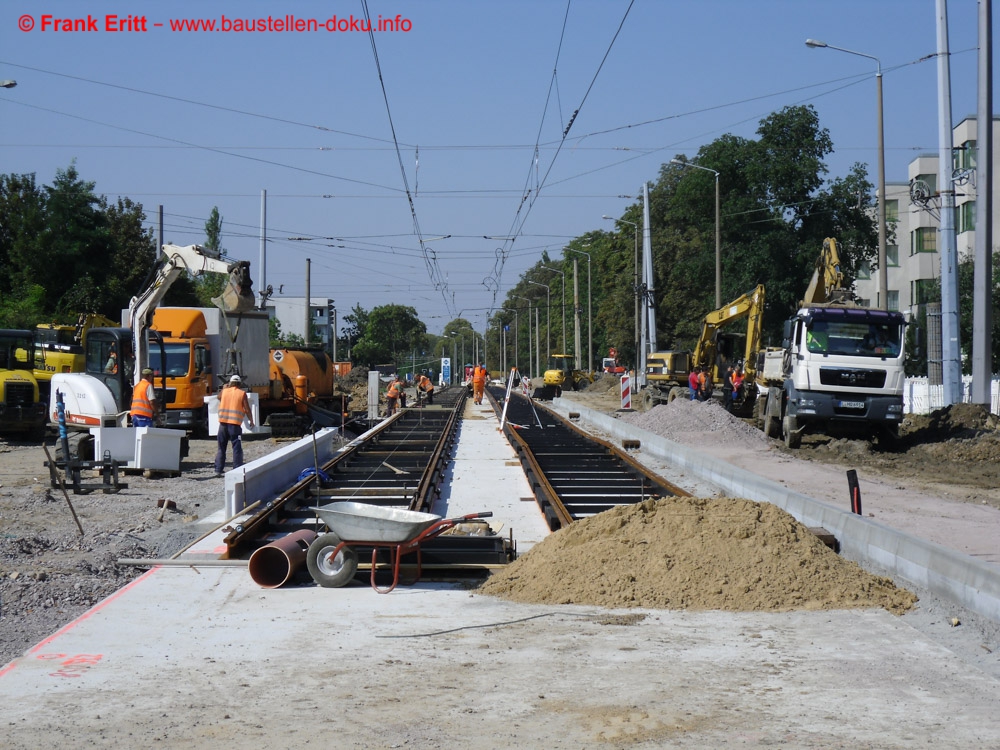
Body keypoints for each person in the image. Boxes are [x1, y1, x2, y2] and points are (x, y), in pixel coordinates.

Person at [215, 374, 254, 477]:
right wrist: (251, 420)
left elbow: (218, 397)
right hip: (235, 426)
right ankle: (237, 468)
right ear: (240, 383)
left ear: (230, 383)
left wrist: (224, 388)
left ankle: (218, 469)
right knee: (236, 447)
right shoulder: (242, 393)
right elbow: (247, 409)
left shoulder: (224, 392)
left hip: (222, 424)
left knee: (221, 447)